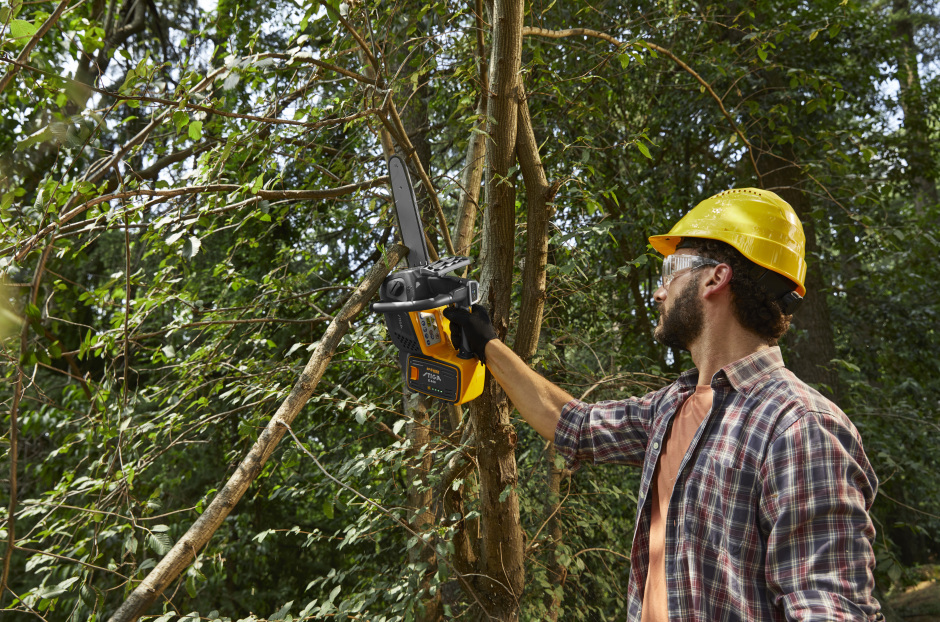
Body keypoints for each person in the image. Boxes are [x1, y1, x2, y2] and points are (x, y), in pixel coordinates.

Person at [444, 188, 883, 621]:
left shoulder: (800, 426)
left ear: (716, 278)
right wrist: (487, 345)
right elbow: (571, 425)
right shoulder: (672, 406)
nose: (659, 292)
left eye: (671, 270)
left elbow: (831, 609)